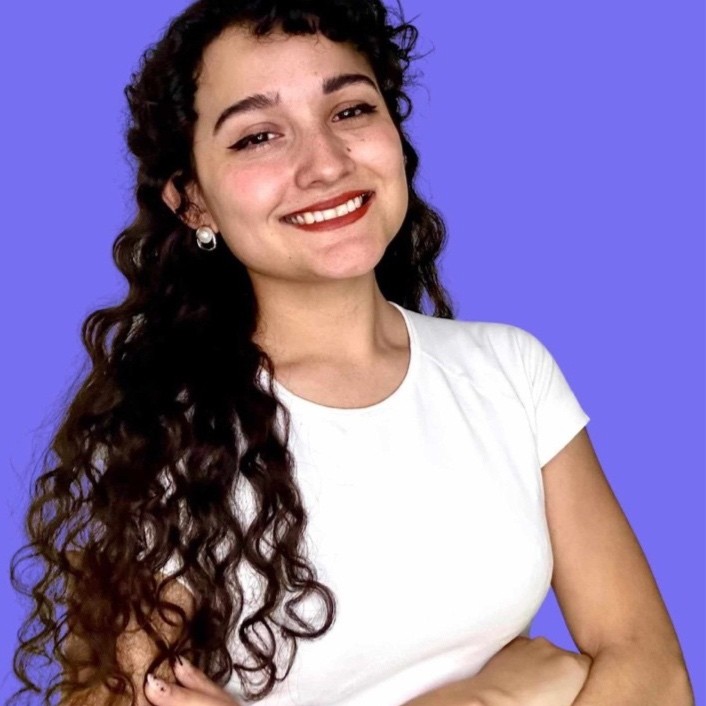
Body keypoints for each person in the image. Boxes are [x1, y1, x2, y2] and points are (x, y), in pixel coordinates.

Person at [10, 1, 694, 705]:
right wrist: (494, 696)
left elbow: (658, 675)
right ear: (193, 203)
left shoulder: (510, 371)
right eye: (258, 136)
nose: (326, 164)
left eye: (350, 111)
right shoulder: (157, 438)